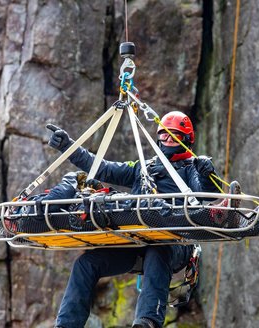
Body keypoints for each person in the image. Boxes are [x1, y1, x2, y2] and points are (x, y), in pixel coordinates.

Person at [47, 111, 220, 328]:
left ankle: (147, 322)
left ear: (185, 139)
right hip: (137, 240)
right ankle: (67, 325)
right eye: (164, 135)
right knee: (87, 263)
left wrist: (206, 173)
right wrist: (68, 147)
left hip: (175, 242)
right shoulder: (142, 168)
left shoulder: (191, 168)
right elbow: (102, 167)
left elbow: (208, 193)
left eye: (173, 135)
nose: (167, 140)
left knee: (159, 250)